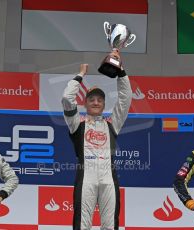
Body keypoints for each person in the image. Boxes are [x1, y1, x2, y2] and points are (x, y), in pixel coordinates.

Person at [61, 50, 132, 230]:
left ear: (104, 104)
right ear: (85, 103)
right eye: (91, 99)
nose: (95, 102)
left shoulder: (112, 124)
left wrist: (120, 70)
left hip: (109, 179)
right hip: (86, 177)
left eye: (100, 99)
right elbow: (67, 99)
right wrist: (80, 75)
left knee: (110, 226)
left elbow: (125, 100)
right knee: (82, 225)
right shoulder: (77, 123)